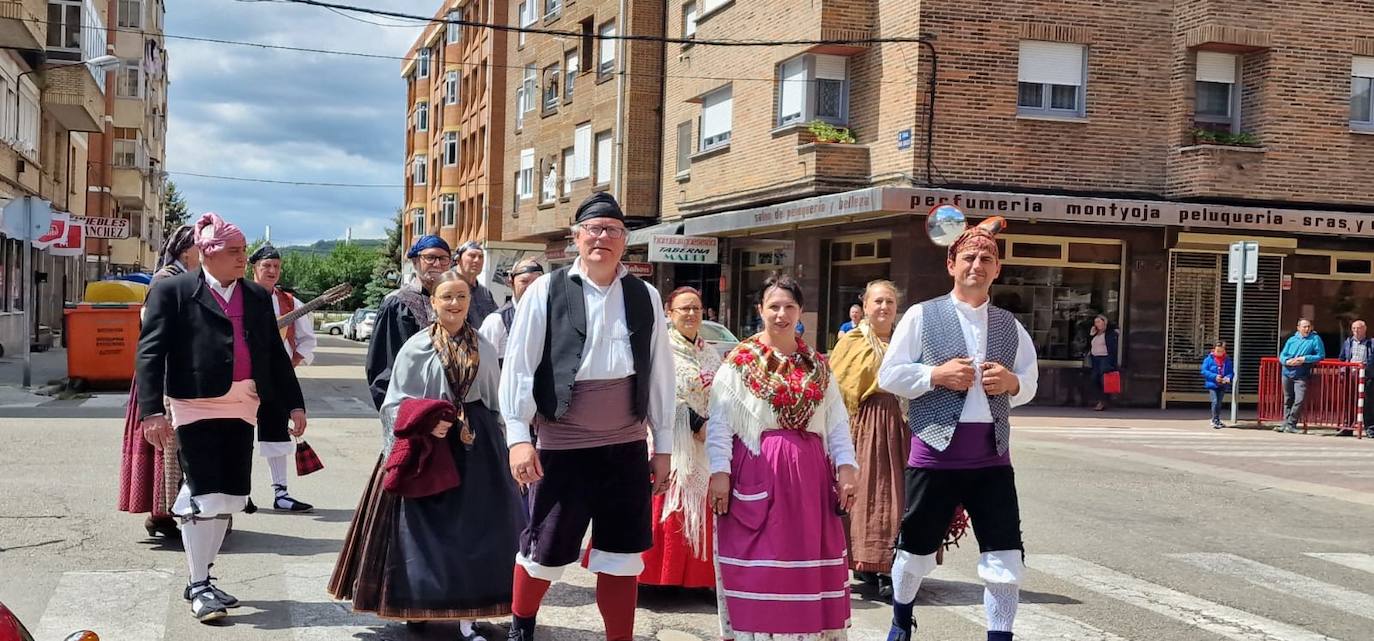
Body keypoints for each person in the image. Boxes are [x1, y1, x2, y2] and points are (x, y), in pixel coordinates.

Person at [500, 192, 676, 641]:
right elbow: (519, 367)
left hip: (627, 446)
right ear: (576, 237)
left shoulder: (646, 295)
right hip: (563, 445)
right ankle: (522, 626)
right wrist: (519, 436)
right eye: (594, 230)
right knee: (545, 550)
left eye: (613, 230)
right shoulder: (545, 290)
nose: (603, 238)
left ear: (625, 241)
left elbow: (659, 372)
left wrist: (665, 446)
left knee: (622, 556)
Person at [329, 272, 524, 640]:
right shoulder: (417, 347)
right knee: (419, 533)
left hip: (476, 448)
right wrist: (426, 424)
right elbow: (396, 402)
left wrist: (503, 447)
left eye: (462, 297)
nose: (455, 304)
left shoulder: (482, 345)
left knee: (477, 531)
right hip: (427, 447)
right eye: (447, 297)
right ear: (433, 303)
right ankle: (417, 605)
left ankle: (471, 616)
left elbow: (497, 402)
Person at [136, 213, 306, 623]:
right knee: (204, 494)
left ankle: (204, 577)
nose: (242, 259)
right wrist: (152, 412)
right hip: (195, 403)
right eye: (234, 252)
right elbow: (150, 352)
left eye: (244, 251)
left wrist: (294, 403)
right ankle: (198, 586)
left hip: (244, 404)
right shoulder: (173, 291)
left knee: (229, 497)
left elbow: (273, 354)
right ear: (207, 254)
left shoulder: (254, 295)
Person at [876, 218, 1039, 641]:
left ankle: (999, 635)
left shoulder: (1009, 325)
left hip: (991, 456)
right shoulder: (921, 315)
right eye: (968, 257)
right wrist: (935, 375)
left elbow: (1029, 380)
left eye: (987, 258)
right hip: (934, 452)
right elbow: (889, 374)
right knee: (914, 551)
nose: (977, 265)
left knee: (1005, 556)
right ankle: (900, 619)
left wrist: (1013, 383)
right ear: (951, 263)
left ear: (997, 269)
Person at [706, 274, 859, 641]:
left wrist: (847, 467)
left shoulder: (818, 365)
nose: (781, 314)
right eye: (773, 306)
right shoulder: (739, 363)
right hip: (757, 472)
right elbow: (720, 423)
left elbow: (836, 422)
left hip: (810, 481)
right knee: (761, 562)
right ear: (760, 310)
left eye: (789, 306)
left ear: (800, 311)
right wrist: (719, 472)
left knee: (807, 561)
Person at [635, 286, 721, 589]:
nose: (691, 314)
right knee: (666, 500)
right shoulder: (661, 349)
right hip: (669, 439)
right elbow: (657, 392)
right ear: (669, 314)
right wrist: (694, 422)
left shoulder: (708, 352)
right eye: (683, 308)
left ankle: (696, 579)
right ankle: (650, 577)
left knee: (702, 503)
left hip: (705, 442)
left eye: (696, 308)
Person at [119, 224, 200, 539]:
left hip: (174, 371)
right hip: (162, 373)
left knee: (172, 447)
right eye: (199, 247)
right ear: (184, 251)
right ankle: (163, 514)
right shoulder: (166, 282)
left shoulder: (183, 279)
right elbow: (154, 337)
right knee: (164, 444)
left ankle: (164, 514)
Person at [829, 280, 905, 597]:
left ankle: (891, 564)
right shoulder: (853, 341)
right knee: (866, 496)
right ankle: (867, 564)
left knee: (898, 497)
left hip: (901, 424)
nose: (884, 307)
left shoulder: (907, 340)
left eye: (889, 301)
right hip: (865, 424)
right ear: (865, 305)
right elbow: (837, 386)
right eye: (878, 301)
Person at [249, 243, 317, 512]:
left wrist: (288, 366)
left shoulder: (290, 302)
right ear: (254, 268)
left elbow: (307, 341)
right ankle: (240, 493)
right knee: (239, 437)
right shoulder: (239, 295)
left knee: (277, 435)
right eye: (266, 266)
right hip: (241, 378)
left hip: (276, 379)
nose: (272, 271)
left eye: (276, 267)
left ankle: (281, 493)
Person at [366, 235, 452, 410]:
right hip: (412, 406)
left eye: (443, 258)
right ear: (415, 261)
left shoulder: (455, 302)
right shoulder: (398, 303)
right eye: (430, 257)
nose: (437, 264)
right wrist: (397, 415)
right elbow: (382, 367)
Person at [478, 258, 544, 367]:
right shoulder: (496, 321)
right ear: (511, 282)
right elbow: (483, 366)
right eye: (524, 281)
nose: (531, 287)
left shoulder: (550, 317)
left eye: (536, 282)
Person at [1278, 318, 1325, 434]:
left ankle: (1291, 423)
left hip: (1301, 374)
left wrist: (1304, 359)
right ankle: (1285, 424)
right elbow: (1282, 355)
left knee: (1299, 399)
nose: (1307, 329)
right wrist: (1286, 361)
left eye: (1309, 326)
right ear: (1298, 328)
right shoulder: (1292, 339)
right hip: (1287, 372)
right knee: (1288, 399)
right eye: (1304, 327)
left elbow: (1321, 355)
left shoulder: (1315, 339)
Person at [1338, 320, 1373, 437]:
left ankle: (1370, 428)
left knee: (1368, 404)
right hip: (1351, 376)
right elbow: (1342, 358)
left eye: (1358, 328)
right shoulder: (1348, 342)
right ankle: (1348, 427)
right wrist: (1343, 370)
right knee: (1350, 402)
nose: (1356, 331)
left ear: (1364, 329)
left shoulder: (1371, 343)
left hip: (1367, 377)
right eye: (1353, 328)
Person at [455, 240, 500, 328]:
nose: (477, 260)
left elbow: (496, 320)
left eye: (481, 257)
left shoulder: (484, 293)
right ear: (458, 260)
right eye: (472, 256)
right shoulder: (446, 285)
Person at [1087, 315, 1119, 411]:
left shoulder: (1110, 333)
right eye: (1095, 322)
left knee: (1102, 379)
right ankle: (1102, 400)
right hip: (1095, 358)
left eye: (1099, 322)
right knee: (1094, 379)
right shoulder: (1096, 333)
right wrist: (1091, 335)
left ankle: (1103, 401)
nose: (1097, 324)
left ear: (1104, 322)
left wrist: (1111, 362)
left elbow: (1112, 348)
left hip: (1105, 358)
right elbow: (1090, 345)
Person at [1201, 341, 1234, 430]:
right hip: (1212, 384)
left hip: (1222, 384)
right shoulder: (1208, 359)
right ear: (1213, 350)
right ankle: (1214, 420)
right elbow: (1204, 371)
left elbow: (1231, 372)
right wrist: (1214, 376)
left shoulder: (1227, 360)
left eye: (1221, 351)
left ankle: (1217, 418)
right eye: (1218, 351)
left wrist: (1228, 378)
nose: (1219, 353)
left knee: (1219, 403)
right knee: (1215, 401)